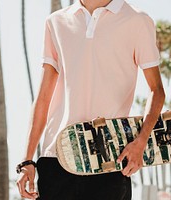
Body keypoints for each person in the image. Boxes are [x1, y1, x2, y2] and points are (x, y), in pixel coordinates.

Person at [16, 0, 165, 199]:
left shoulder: (137, 21)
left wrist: (141, 143)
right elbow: (44, 97)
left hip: (108, 160)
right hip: (56, 159)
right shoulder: (57, 21)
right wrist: (27, 161)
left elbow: (157, 90)